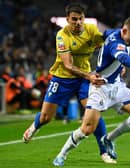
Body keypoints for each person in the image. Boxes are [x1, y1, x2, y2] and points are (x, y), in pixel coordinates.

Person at [53, 16, 130, 166]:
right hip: (100, 87)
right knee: (87, 129)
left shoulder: (116, 32)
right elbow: (123, 57)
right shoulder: (116, 43)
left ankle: (109, 139)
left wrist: (116, 66)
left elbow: (106, 37)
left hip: (117, 87)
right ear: (124, 31)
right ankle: (62, 154)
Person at [22, 3, 116, 164]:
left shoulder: (91, 30)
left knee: (94, 110)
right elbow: (68, 65)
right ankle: (34, 127)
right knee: (46, 117)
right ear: (67, 19)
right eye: (74, 19)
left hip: (83, 80)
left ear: (84, 18)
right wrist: (89, 76)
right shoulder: (62, 35)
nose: (78, 22)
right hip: (62, 78)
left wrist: (117, 64)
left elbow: (107, 47)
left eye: (80, 19)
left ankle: (104, 151)